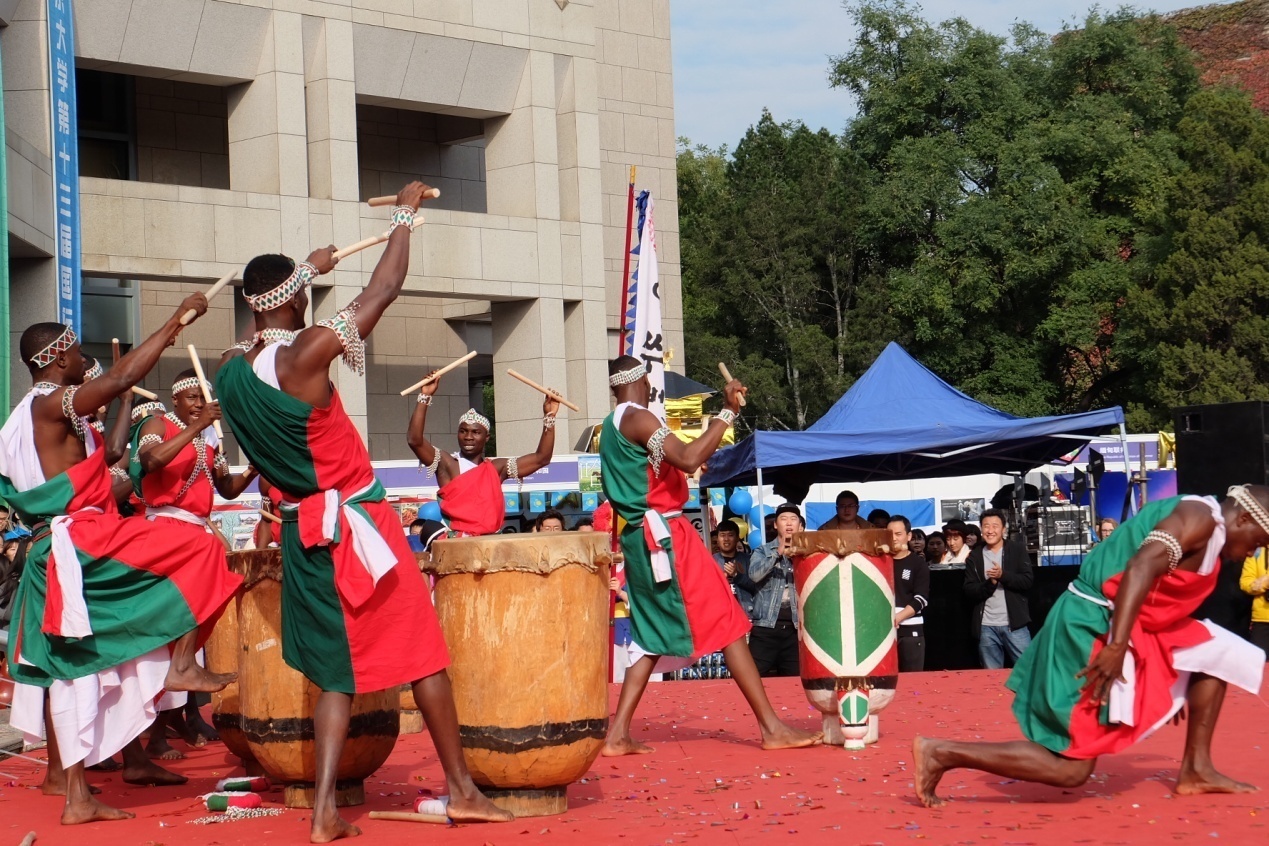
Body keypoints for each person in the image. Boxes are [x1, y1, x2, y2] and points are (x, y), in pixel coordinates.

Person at [215, 182, 511, 841]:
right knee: (425, 654)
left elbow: (251, 329)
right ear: (292, 300)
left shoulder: (230, 371)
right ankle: (461, 789)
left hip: (303, 533)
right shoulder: (307, 353)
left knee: (334, 673)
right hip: (357, 526)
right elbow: (384, 289)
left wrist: (303, 276)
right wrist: (405, 215)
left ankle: (324, 811)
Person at [1, 308, 242, 826]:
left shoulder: (27, 415)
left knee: (75, 668)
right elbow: (121, 377)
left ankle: (79, 797)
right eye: (71, 348)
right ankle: (179, 661)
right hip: (79, 539)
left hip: (64, 542)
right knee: (199, 550)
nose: (77, 355)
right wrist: (176, 321)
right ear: (55, 357)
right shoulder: (49, 404)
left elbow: (106, 455)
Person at [915, 485, 1269, 808]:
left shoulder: (1208, 527)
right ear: (1244, 518)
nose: (1255, 550)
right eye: (1260, 539)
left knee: (1220, 651)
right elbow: (1140, 567)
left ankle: (1196, 769)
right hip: (1090, 625)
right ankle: (943, 752)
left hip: (1130, 624)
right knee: (1070, 771)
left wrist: (1170, 675)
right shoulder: (1200, 519)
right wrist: (1116, 647)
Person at [598, 356, 820, 755]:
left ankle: (617, 734)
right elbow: (687, 458)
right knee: (729, 619)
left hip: (639, 538)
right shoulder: (638, 418)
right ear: (645, 382)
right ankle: (771, 727)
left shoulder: (610, 428)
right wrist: (728, 413)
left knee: (651, 635)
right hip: (665, 536)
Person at [132, 368, 259, 759]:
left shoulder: (209, 442)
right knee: (166, 627)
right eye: (193, 398)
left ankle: (183, 667)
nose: (200, 405)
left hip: (196, 531)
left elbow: (225, 489)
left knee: (214, 594)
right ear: (176, 400)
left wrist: (254, 466)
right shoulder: (158, 424)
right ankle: (180, 671)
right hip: (165, 528)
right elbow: (150, 461)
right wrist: (197, 427)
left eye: (205, 400)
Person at [407, 374, 558, 537]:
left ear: (486, 438)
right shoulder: (447, 464)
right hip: (460, 544)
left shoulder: (496, 468)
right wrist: (425, 396)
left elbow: (542, 458)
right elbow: (415, 440)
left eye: (476, 432)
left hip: (492, 544)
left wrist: (549, 417)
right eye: (463, 431)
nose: (468, 437)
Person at [963, 510, 1033, 669]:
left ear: (1003, 529)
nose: (990, 530)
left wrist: (1003, 575)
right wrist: (991, 583)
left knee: (1028, 671)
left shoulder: (1017, 550)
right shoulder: (975, 555)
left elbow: (1027, 581)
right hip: (986, 626)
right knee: (991, 676)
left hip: (1015, 625)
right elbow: (969, 590)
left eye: (995, 526)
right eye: (986, 526)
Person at [747, 503, 804, 677]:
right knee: (753, 678)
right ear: (775, 524)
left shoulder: (806, 552)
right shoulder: (763, 551)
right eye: (784, 519)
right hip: (765, 628)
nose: (789, 523)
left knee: (795, 683)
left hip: (796, 630)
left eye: (793, 519)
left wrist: (801, 553)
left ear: (799, 525)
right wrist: (777, 553)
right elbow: (754, 575)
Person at [888, 515, 930, 672]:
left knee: (912, 682)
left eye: (898, 534)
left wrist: (898, 617)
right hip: (883, 632)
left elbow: (921, 599)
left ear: (908, 536)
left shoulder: (918, 563)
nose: (893, 538)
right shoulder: (880, 562)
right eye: (889, 533)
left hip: (911, 632)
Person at [713, 519, 755, 617]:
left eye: (730, 535)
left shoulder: (749, 560)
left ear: (737, 538)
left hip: (745, 612)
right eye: (722, 535)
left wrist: (737, 576)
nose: (726, 539)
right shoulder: (710, 561)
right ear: (718, 539)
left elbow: (756, 587)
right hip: (720, 615)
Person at [1239, 547, 1269, 654]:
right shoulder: (1258, 551)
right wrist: (1265, 583)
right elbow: (1245, 583)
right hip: (1263, 620)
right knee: (1258, 662)